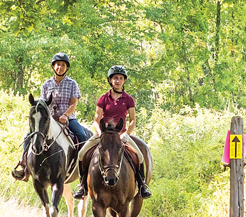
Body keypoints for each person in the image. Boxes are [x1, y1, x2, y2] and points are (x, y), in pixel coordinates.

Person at [73, 65, 152, 199]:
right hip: (103, 135)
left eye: (121, 78)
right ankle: (82, 186)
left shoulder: (129, 99)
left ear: (124, 81)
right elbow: (96, 120)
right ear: (110, 80)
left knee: (139, 155)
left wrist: (125, 134)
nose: (118, 81)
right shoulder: (103, 99)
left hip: (121, 135)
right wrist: (99, 132)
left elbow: (132, 120)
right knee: (81, 154)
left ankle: (142, 185)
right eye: (115, 78)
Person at [12, 52, 88, 181]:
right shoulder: (46, 84)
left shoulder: (72, 84)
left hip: (68, 119)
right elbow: (43, 104)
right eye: (58, 65)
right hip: (50, 120)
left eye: (63, 65)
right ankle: (24, 167)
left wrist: (65, 115)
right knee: (28, 137)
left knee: (82, 136)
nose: (60, 67)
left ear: (67, 67)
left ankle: (83, 171)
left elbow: (74, 103)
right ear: (53, 66)